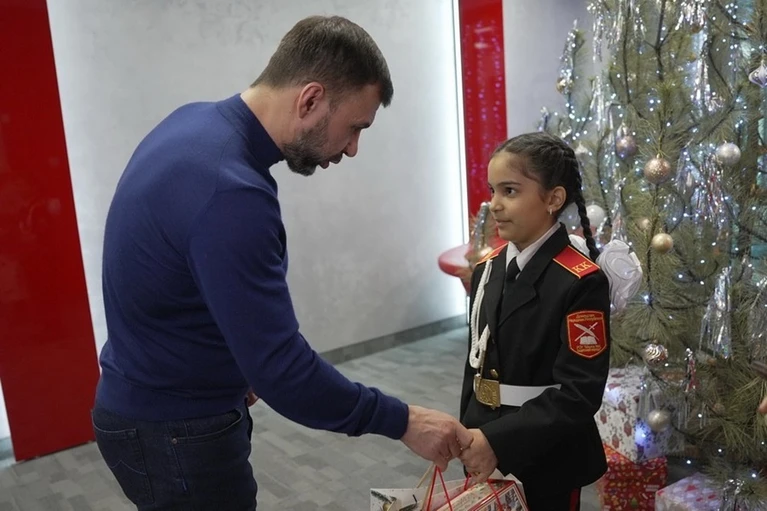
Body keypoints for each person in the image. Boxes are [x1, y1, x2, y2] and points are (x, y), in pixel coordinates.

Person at [91, 15, 471, 510]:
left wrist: (236, 365)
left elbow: (174, 282)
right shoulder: (230, 191)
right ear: (310, 100)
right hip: (176, 430)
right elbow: (284, 372)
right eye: (355, 127)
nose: (353, 148)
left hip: (148, 404)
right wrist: (404, 421)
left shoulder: (195, 124)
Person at [457, 132, 611, 510]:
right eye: (492, 191)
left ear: (553, 199)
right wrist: (468, 435)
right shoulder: (487, 269)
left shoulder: (579, 281)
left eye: (510, 191)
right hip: (483, 436)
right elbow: (476, 363)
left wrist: (496, 441)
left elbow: (578, 393)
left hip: (547, 454)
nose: (494, 205)